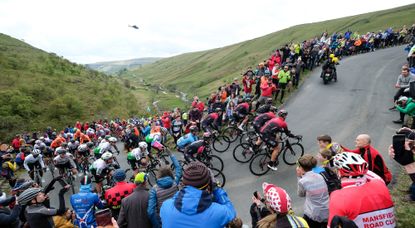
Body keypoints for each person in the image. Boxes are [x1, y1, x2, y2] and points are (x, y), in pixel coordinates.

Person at [160, 161, 236, 228]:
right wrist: (217, 188)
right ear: (209, 186)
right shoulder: (219, 212)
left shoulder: (165, 207)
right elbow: (231, 212)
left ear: (183, 184)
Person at [328, 152, 395, 227]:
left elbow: (331, 225)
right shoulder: (379, 184)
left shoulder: (337, 196)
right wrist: (361, 170)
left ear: (339, 172)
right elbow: (372, 176)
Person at [147, 149, 182, 228]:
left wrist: (157, 225)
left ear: (159, 175)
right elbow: (178, 168)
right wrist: (171, 155)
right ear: (170, 174)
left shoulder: (154, 189)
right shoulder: (174, 182)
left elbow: (151, 212)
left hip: (164, 218)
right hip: (177, 213)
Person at [296, 154, 329, 227]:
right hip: (327, 211)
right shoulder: (320, 176)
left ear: (301, 168)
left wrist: (299, 176)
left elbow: (301, 194)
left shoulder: (303, 181)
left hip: (313, 214)